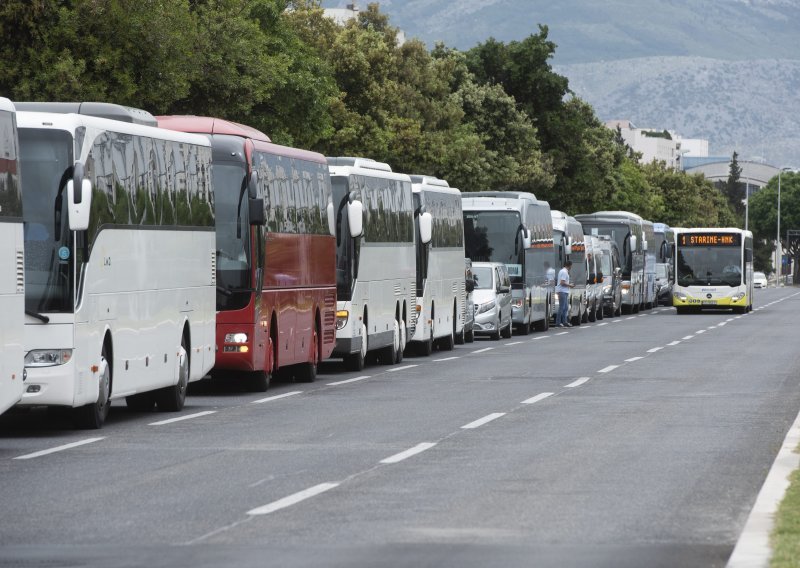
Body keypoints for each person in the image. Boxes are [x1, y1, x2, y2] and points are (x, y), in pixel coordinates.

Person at [555, 259, 575, 327]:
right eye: (571, 266)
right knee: (562, 307)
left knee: (566, 307)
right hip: (562, 291)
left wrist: (569, 284)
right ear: (569, 266)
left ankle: (564, 322)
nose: (571, 267)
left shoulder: (563, 271)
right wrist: (570, 285)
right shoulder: (564, 272)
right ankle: (558, 323)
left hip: (564, 291)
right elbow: (562, 282)